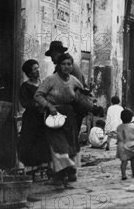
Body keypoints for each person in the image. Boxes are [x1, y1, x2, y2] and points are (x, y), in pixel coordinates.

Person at [34, 53, 83, 188]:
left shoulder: (73, 80)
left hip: (69, 116)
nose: (66, 67)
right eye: (63, 64)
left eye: (69, 64)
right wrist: (49, 106)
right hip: (53, 116)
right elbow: (38, 95)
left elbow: (82, 94)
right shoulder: (51, 80)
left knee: (71, 146)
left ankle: (63, 177)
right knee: (59, 147)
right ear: (58, 65)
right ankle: (64, 173)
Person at [18, 59, 51, 168]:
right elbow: (24, 103)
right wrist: (37, 105)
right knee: (30, 142)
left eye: (38, 68)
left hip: (43, 118)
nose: (38, 71)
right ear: (29, 73)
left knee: (43, 141)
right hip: (31, 120)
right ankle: (31, 168)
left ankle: (43, 166)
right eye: (35, 69)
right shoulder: (25, 87)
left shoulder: (43, 84)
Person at [117, 109, 134, 180]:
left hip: (122, 146)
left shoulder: (119, 127)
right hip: (131, 146)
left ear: (121, 118)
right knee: (133, 160)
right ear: (131, 117)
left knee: (124, 161)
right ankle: (133, 173)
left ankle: (123, 175)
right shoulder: (133, 126)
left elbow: (118, 137)